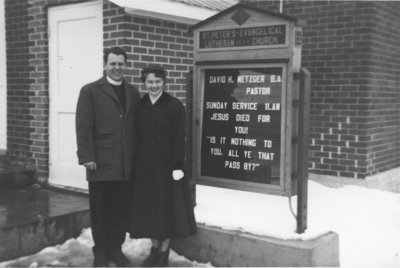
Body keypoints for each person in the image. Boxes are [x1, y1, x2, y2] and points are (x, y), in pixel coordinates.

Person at [75, 47, 140, 267]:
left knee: (120, 209)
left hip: (124, 164)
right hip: (100, 163)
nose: (117, 68)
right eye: (113, 63)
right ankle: (100, 251)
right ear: (105, 65)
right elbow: (83, 127)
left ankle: (115, 249)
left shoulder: (132, 92)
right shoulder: (90, 91)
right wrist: (86, 156)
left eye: (121, 63)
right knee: (101, 210)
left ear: (125, 65)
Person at [129, 65, 197, 267]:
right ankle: (154, 248)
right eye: (150, 82)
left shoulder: (175, 105)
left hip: (169, 166)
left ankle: (164, 252)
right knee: (149, 208)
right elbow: (135, 137)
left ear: (164, 82)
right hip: (145, 165)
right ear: (144, 83)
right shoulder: (139, 106)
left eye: (158, 82)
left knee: (168, 208)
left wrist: (178, 165)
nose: (154, 86)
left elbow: (179, 138)